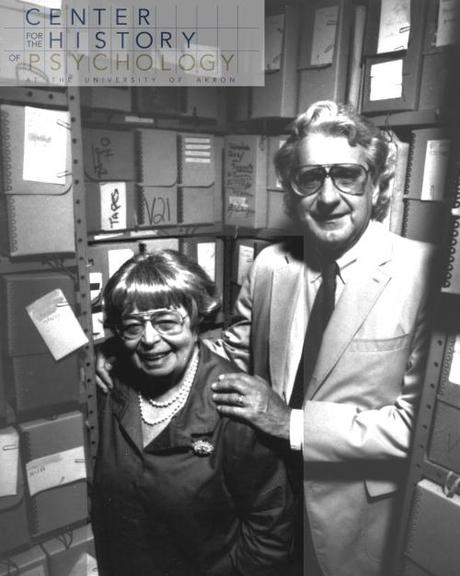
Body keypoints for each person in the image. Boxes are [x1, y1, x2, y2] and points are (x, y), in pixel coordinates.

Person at [96, 101, 435, 576]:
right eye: (310, 178)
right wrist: (129, 351)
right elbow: (227, 350)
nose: (329, 196)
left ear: (377, 184)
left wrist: (291, 423)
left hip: (353, 517)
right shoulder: (273, 265)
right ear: (292, 192)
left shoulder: (427, 275)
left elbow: (417, 428)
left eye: (348, 175)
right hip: (263, 492)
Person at [91, 250, 293, 576]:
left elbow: (269, 535)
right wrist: (100, 350)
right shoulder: (111, 385)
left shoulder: (235, 405)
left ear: (197, 318)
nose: (150, 339)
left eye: (167, 322)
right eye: (132, 326)